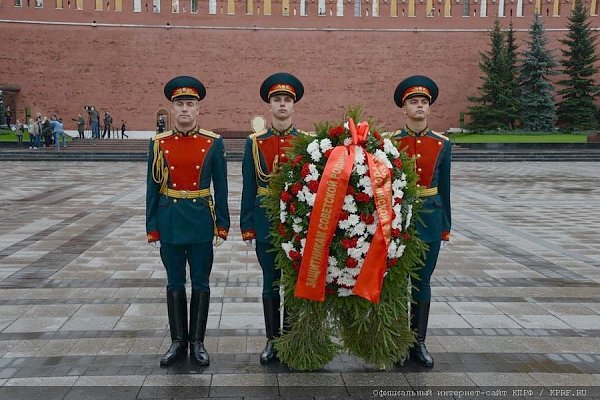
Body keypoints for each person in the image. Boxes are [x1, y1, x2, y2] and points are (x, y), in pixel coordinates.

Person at [146, 75, 230, 367]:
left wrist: (222, 223)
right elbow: (152, 188)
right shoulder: (159, 143)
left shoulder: (213, 143)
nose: (184, 109)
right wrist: (152, 226)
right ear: (172, 109)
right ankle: (177, 341)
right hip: (169, 219)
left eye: (190, 104)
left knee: (201, 283)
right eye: (179, 104)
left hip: (199, 221)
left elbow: (222, 185)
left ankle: (197, 341)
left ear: (198, 110)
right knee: (173, 283)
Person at [240, 72, 304, 364]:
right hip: (266, 221)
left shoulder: (305, 143)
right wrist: (247, 225)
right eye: (277, 99)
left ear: (293, 106)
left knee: (292, 284)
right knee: (270, 282)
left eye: (287, 100)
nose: (282, 105)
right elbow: (248, 185)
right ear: (269, 105)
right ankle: (271, 340)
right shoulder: (255, 143)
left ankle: (290, 339)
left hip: (296, 225)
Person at [391, 75, 451, 368]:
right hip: (399, 220)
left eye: (423, 102)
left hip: (430, 217)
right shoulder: (391, 143)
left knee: (422, 283)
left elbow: (446, 187)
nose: (419, 107)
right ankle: (400, 342)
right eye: (413, 102)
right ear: (404, 108)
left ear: (429, 109)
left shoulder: (442, 144)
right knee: (397, 281)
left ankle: (419, 343)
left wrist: (445, 225)